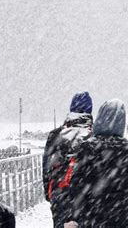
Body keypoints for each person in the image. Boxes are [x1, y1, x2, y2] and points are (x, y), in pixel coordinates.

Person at [67, 99, 128, 227]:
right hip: (121, 214)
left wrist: (73, 217)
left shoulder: (87, 147)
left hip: (91, 214)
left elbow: (77, 184)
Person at [42, 92, 93, 228]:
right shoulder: (93, 136)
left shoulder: (55, 135)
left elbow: (46, 167)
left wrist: (50, 194)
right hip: (88, 197)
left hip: (59, 195)